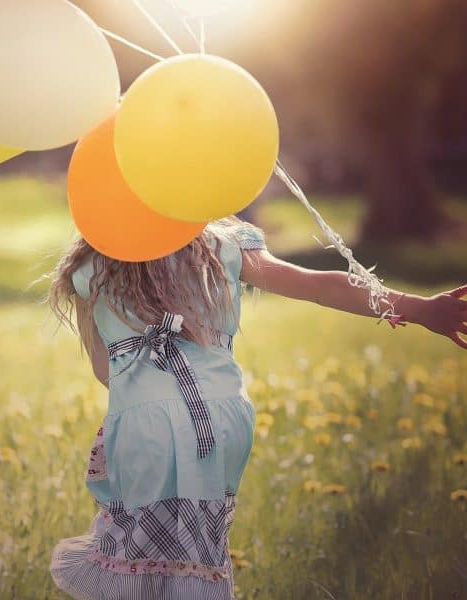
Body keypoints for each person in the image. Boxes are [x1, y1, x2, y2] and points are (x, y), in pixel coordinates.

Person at [44, 215, 467, 600]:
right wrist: (419, 308)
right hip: (221, 416)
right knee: (198, 554)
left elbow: (106, 369)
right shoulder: (219, 241)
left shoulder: (91, 264)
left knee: (141, 561)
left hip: (146, 423)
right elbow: (318, 285)